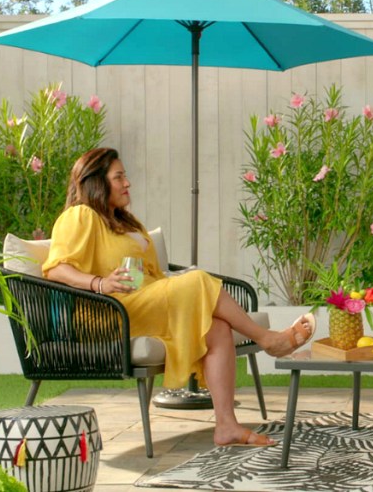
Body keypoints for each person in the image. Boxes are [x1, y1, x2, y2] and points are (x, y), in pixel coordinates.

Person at [43, 147, 316, 447]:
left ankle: (226, 425)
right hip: (108, 312)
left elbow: (152, 275)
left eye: (125, 176)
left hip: (144, 301)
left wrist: (174, 281)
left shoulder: (124, 221)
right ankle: (268, 339)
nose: (127, 183)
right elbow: (56, 269)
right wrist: (99, 283)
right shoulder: (80, 216)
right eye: (118, 177)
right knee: (198, 281)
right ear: (96, 182)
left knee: (217, 328)